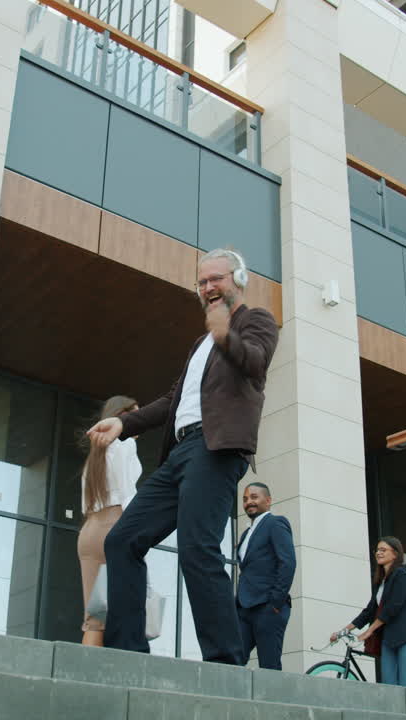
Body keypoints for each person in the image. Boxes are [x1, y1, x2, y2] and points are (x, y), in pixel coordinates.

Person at [87, 247, 279, 664]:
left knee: (198, 548)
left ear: (238, 280)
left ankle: (226, 660)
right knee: (122, 540)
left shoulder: (255, 321)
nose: (208, 287)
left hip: (216, 449)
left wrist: (224, 332)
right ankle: (127, 651)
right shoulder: (200, 343)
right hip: (180, 454)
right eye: (202, 281)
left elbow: (256, 363)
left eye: (217, 279)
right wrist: (124, 424)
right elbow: (173, 399)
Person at [77, 395, 140, 647]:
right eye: (134, 415)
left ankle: (84, 680)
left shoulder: (95, 455)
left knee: (94, 618)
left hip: (89, 531)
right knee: (124, 614)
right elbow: (128, 497)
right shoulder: (125, 445)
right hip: (114, 524)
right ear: (120, 417)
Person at [330, 536, 406, 687]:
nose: (378, 553)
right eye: (377, 550)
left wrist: (369, 631)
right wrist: (342, 631)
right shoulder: (380, 582)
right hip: (388, 640)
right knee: (389, 687)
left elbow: (392, 608)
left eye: (383, 550)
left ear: (395, 554)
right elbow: (368, 612)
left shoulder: (401, 575)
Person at [235, 481, 295, 670]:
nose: (248, 502)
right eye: (245, 499)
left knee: (269, 666)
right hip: (244, 609)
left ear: (268, 501)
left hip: (267, 608)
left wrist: (275, 603)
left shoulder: (276, 523)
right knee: (233, 659)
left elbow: (287, 563)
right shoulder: (245, 534)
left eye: (254, 497)